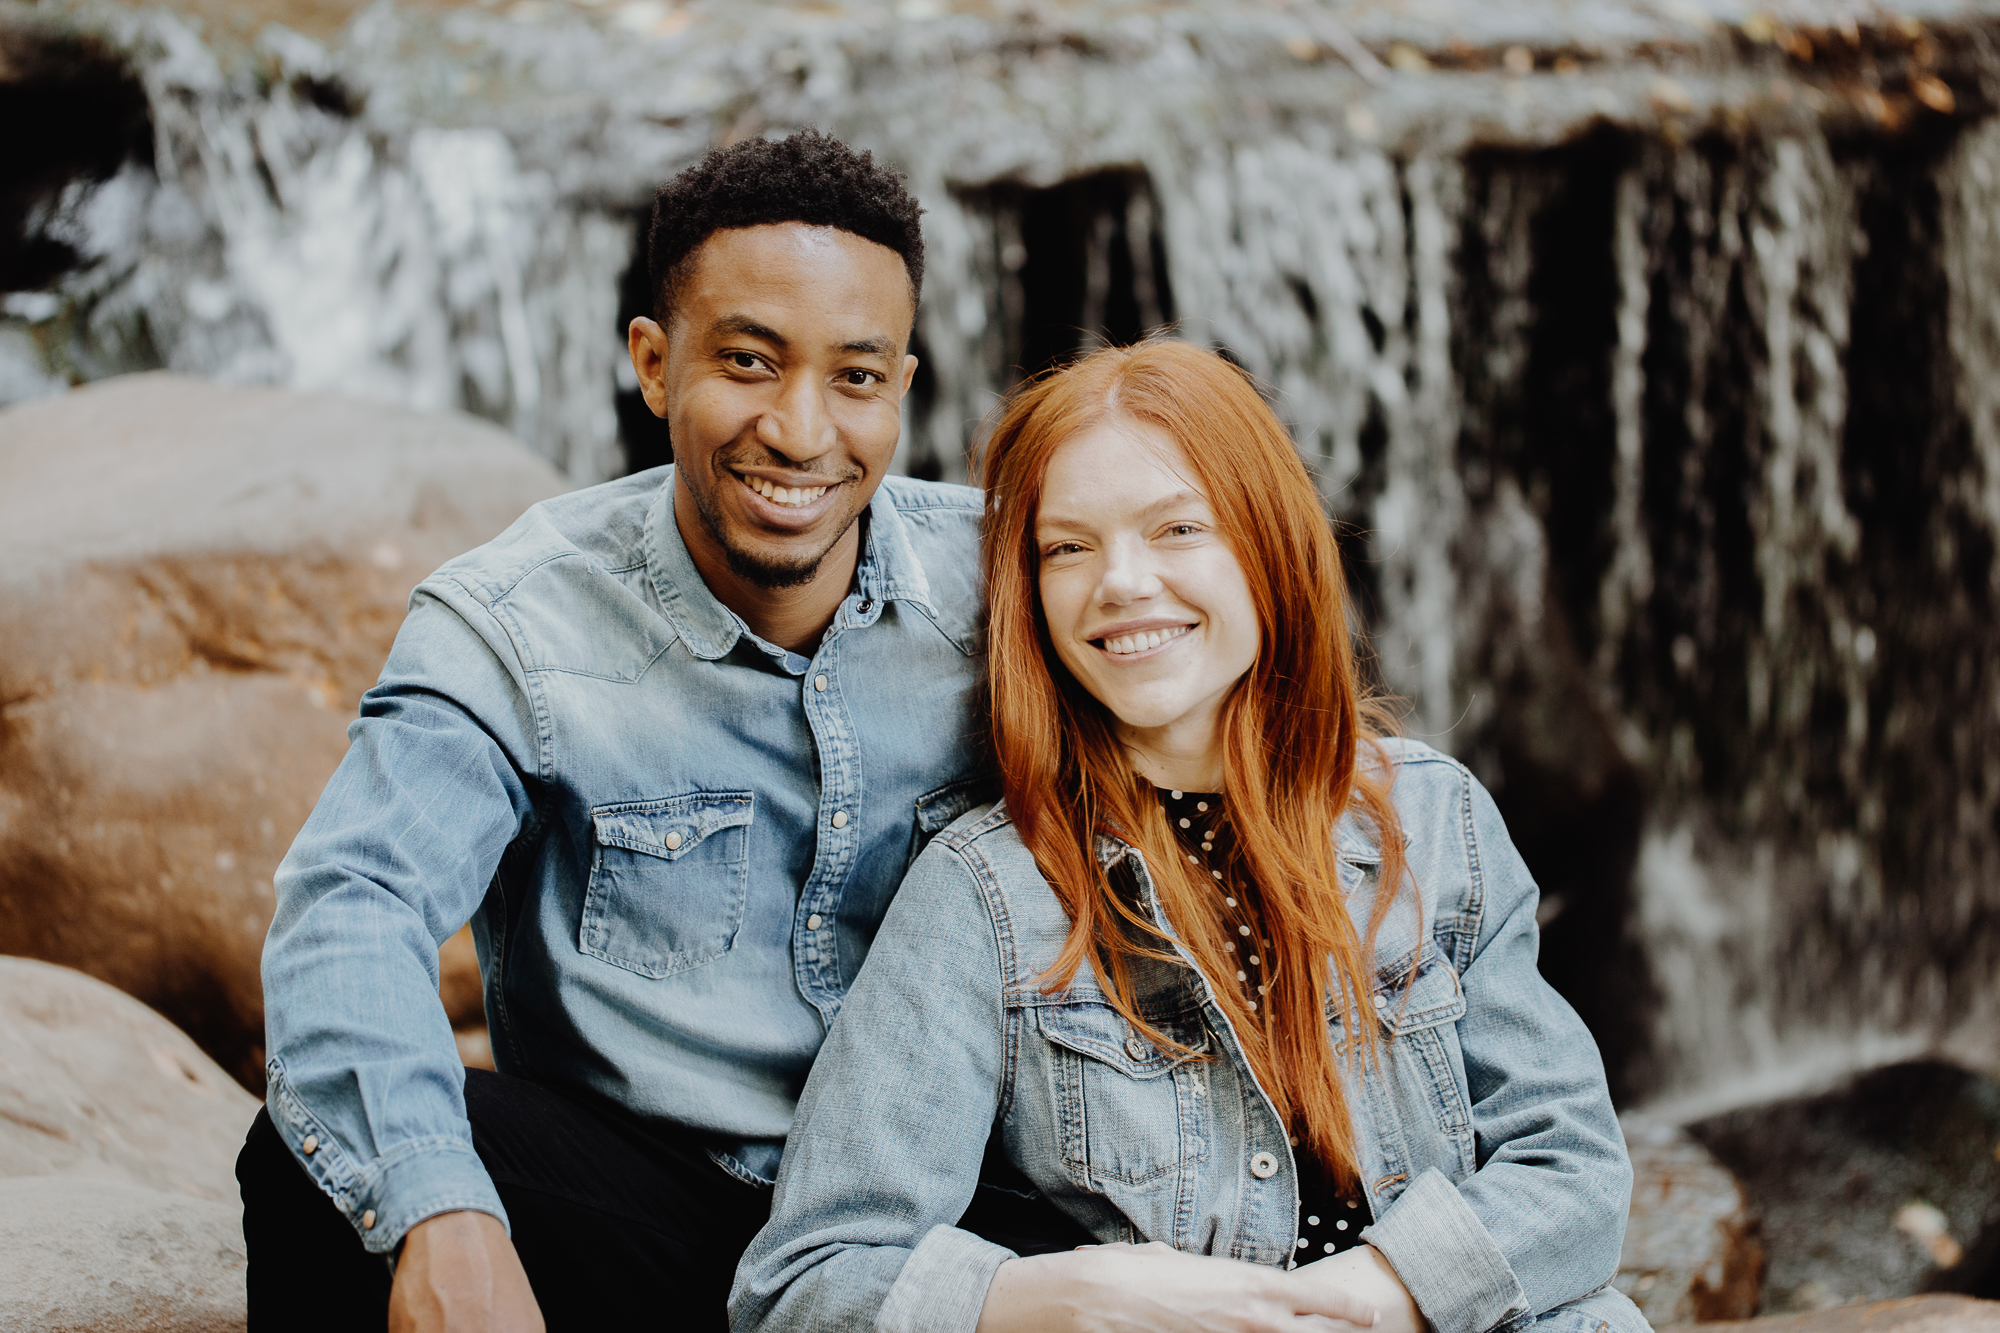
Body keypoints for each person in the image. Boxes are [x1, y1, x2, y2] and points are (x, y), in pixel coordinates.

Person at [234, 131, 1033, 1332]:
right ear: (654, 366)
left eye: (854, 379)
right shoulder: (515, 622)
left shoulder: (1006, 586)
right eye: (750, 363)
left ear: (901, 390)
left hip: (940, 1208)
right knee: (310, 1167)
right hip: (661, 1206)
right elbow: (352, 902)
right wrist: (441, 1213)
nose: (803, 431)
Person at [731, 338, 1653, 1333]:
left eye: (1176, 528)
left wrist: (1366, 1298)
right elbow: (803, 1284)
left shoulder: (1433, 820)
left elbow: (1573, 1167)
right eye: (1066, 547)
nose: (1120, 582)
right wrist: (1042, 1300)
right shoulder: (987, 896)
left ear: (1267, 545)